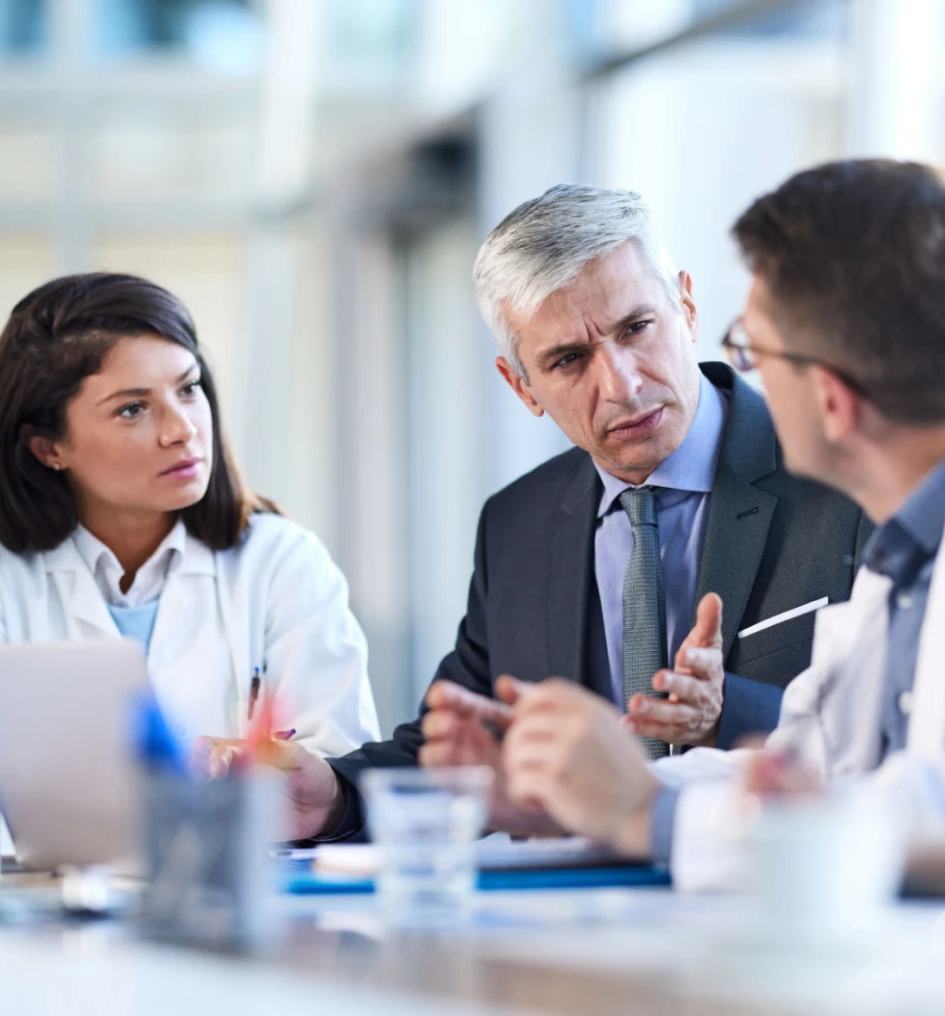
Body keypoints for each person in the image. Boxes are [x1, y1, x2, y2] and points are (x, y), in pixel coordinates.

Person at [491, 159, 945, 886]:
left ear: (830, 397)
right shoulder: (917, 543)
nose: (745, 379)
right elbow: (812, 765)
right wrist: (580, 797)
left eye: (751, 351)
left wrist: (649, 815)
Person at [241, 184, 868, 842]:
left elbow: (895, 737)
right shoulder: (518, 525)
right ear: (522, 387)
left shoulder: (844, 478)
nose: (622, 384)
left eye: (636, 328)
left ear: (685, 306)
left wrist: (728, 713)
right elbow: (463, 744)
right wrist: (333, 796)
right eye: (569, 360)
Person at [0, 273, 381, 839]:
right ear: (49, 448)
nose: (181, 430)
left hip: (235, 887)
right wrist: (163, 787)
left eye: (189, 388)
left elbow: (336, 783)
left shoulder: (282, 562)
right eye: (133, 409)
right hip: (52, 894)